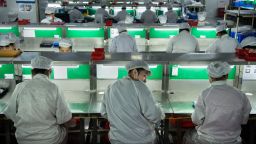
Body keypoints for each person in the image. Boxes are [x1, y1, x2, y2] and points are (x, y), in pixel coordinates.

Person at [4, 56, 73, 144]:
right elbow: (63, 118)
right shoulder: (54, 87)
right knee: (64, 128)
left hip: (23, 138)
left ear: (32, 72)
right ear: (50, 71)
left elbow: (10, 113)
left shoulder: (20, 87)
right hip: (50, 139)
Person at [183, 61, 251, 144]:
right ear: (227, 75)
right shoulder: (240, 94)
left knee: (188, 134)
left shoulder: (205, 94)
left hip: (207, 141)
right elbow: (244, 120)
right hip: (233, 141)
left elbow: (196, 120)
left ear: (210, 76)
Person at [101, 60, 165, 144]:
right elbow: (154, 115)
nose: (145, 80)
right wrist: (160, 111)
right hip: (141, 140)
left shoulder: (111, 87)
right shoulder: (140, 86)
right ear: (135, 72)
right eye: (144, 75)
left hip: (117, 140)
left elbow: (104, 113)